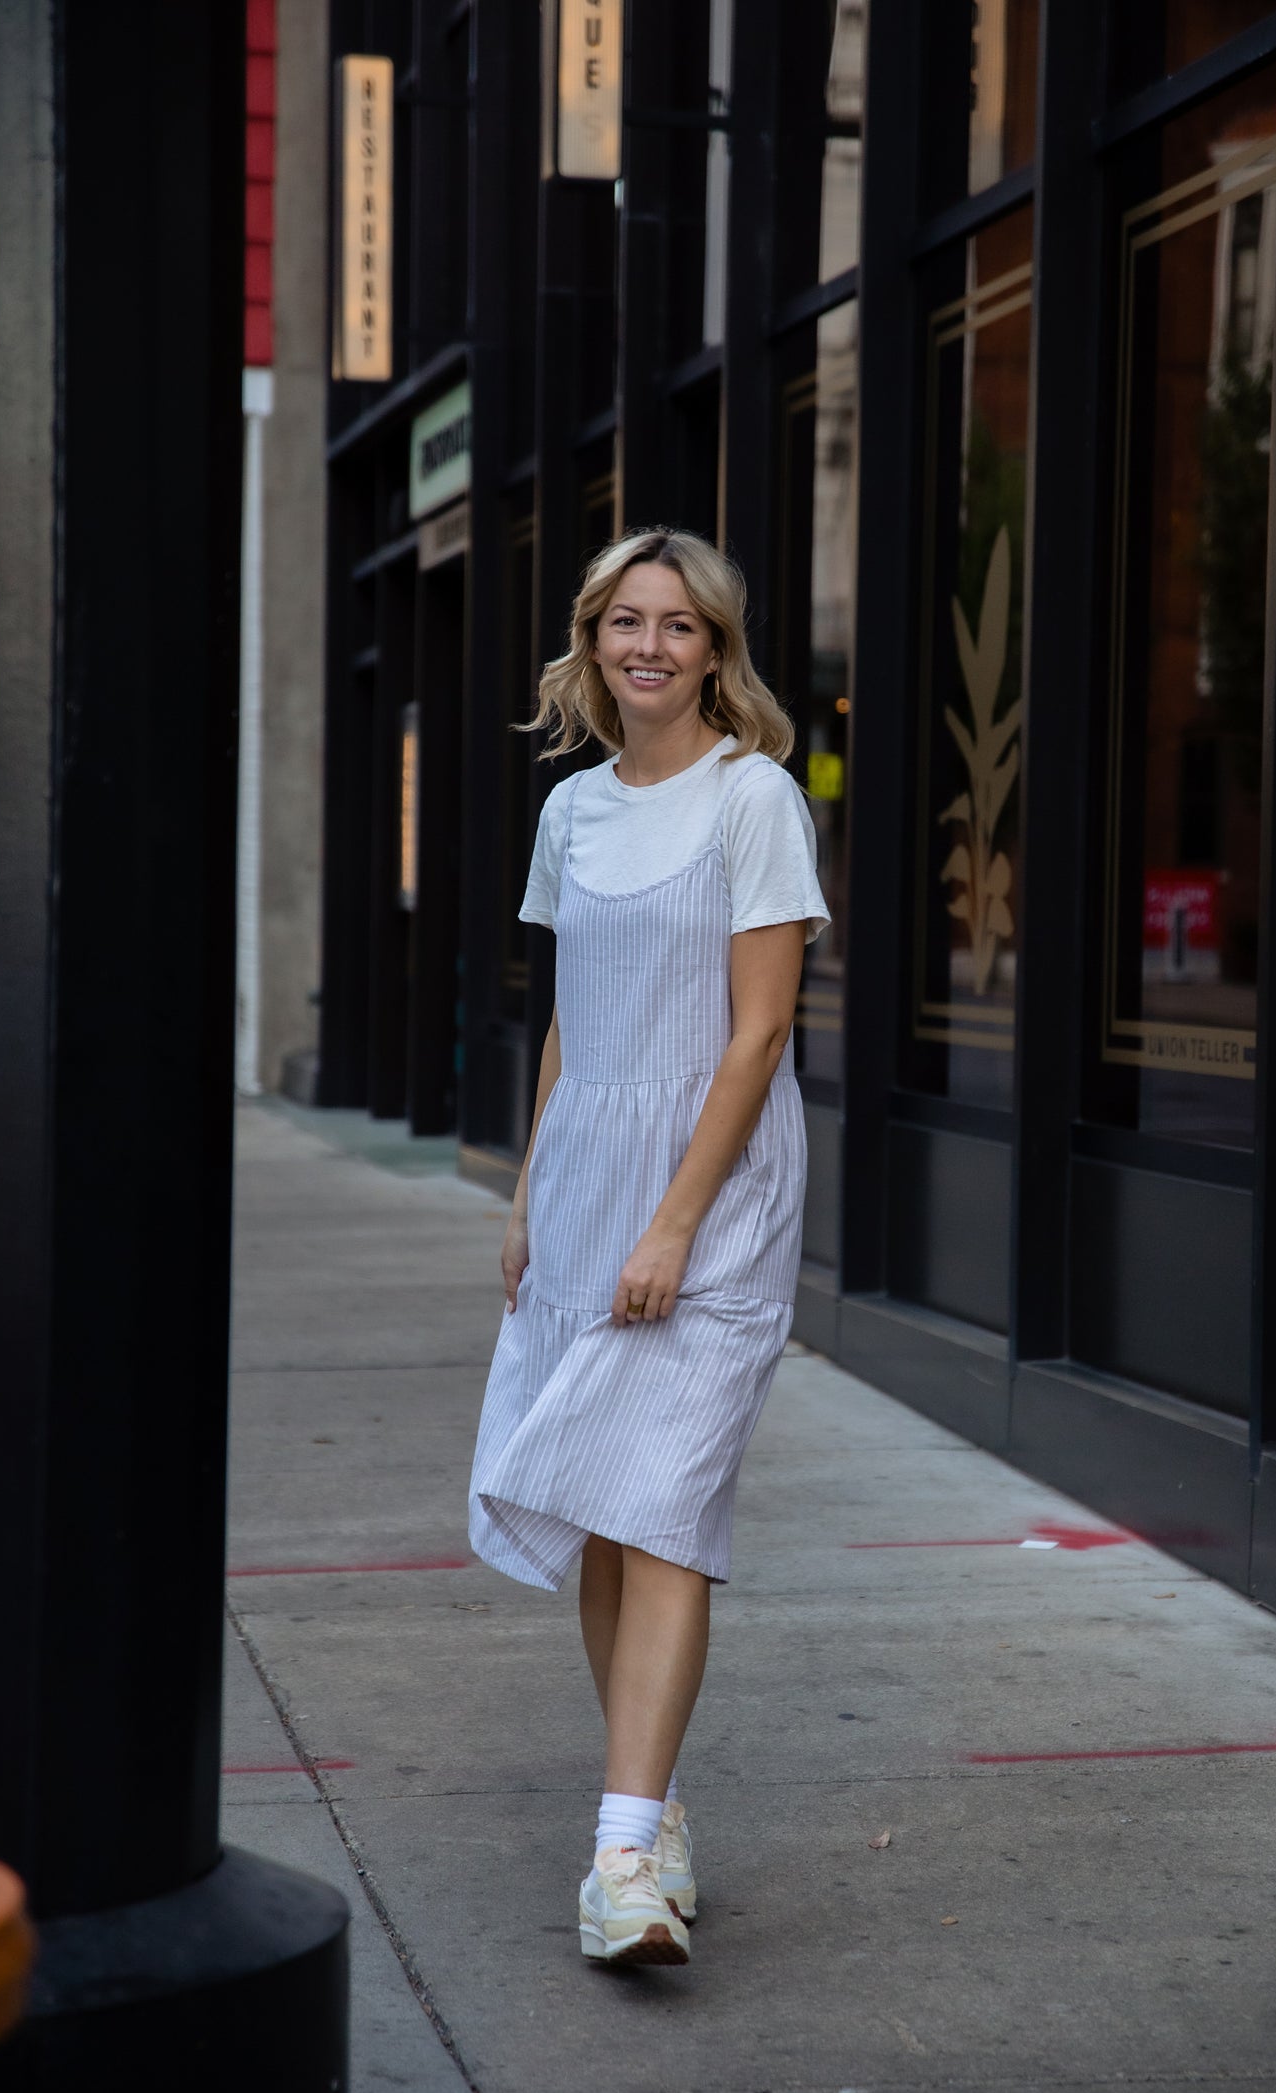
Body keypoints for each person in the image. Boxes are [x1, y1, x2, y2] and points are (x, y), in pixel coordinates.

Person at [467, 528, 830, 1966]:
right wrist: (526, 1194)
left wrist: (676, 1220)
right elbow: (572, 1015)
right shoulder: (571, 813)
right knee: (600, 1505)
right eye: (628, 620)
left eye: (681, 626)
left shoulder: (757, 802)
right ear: (592, 640)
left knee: (662, 1499)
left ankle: (618, 1866)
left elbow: (756, 1032)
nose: (651, 646)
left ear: (717, 651)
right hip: (581, 1181)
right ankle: (652, 1802)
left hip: (719, 1188)